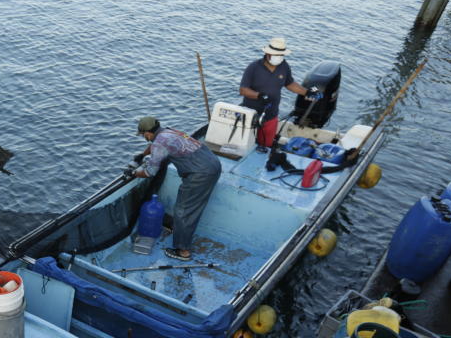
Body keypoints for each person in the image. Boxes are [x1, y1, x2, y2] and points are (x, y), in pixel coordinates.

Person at [132, 117, 221, 261]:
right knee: (190, 209)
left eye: (143, 135)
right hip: (213, 163)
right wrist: (142, 155)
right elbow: (155, 144)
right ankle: (182, 233)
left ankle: (183, 251)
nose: (144, 138)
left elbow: (149, 172)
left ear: (147, 133)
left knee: (183, 211)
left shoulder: (159, 144)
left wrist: (134, 173)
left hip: (200, 174)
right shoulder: (168, 132)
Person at [239, 37, 321, 147]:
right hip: (251, 114)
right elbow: (243, 90)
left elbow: (289, 83)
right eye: (276, 55)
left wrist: (307, 92)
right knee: (246, 144)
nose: (279, 58)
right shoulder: (253, 67)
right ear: (268, 54)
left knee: (266, 146)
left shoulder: (284, 66)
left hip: (271, 115)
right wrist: (259, 95)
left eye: (281, 55)